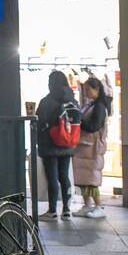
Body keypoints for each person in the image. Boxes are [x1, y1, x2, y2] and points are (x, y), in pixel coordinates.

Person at [35, 70, 81, 220]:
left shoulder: (46, 101)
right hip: (67, 144)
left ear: (51, 84)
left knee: (52, 177)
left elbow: (39, 121)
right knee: (64, 177)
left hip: (50, 144)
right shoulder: (73, 100)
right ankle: (67, 209)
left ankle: (52, 210)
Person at [73, 76, 113, 219]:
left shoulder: (100, 107)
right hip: (85, 148)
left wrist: (79, 121)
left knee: (91, 180)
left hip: (93, 148)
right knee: (84, 180)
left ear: (97, 90)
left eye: (89, 89)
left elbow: (94, 126)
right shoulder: (90, 105)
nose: (87, 92)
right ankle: (87, 205)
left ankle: (98, 205)